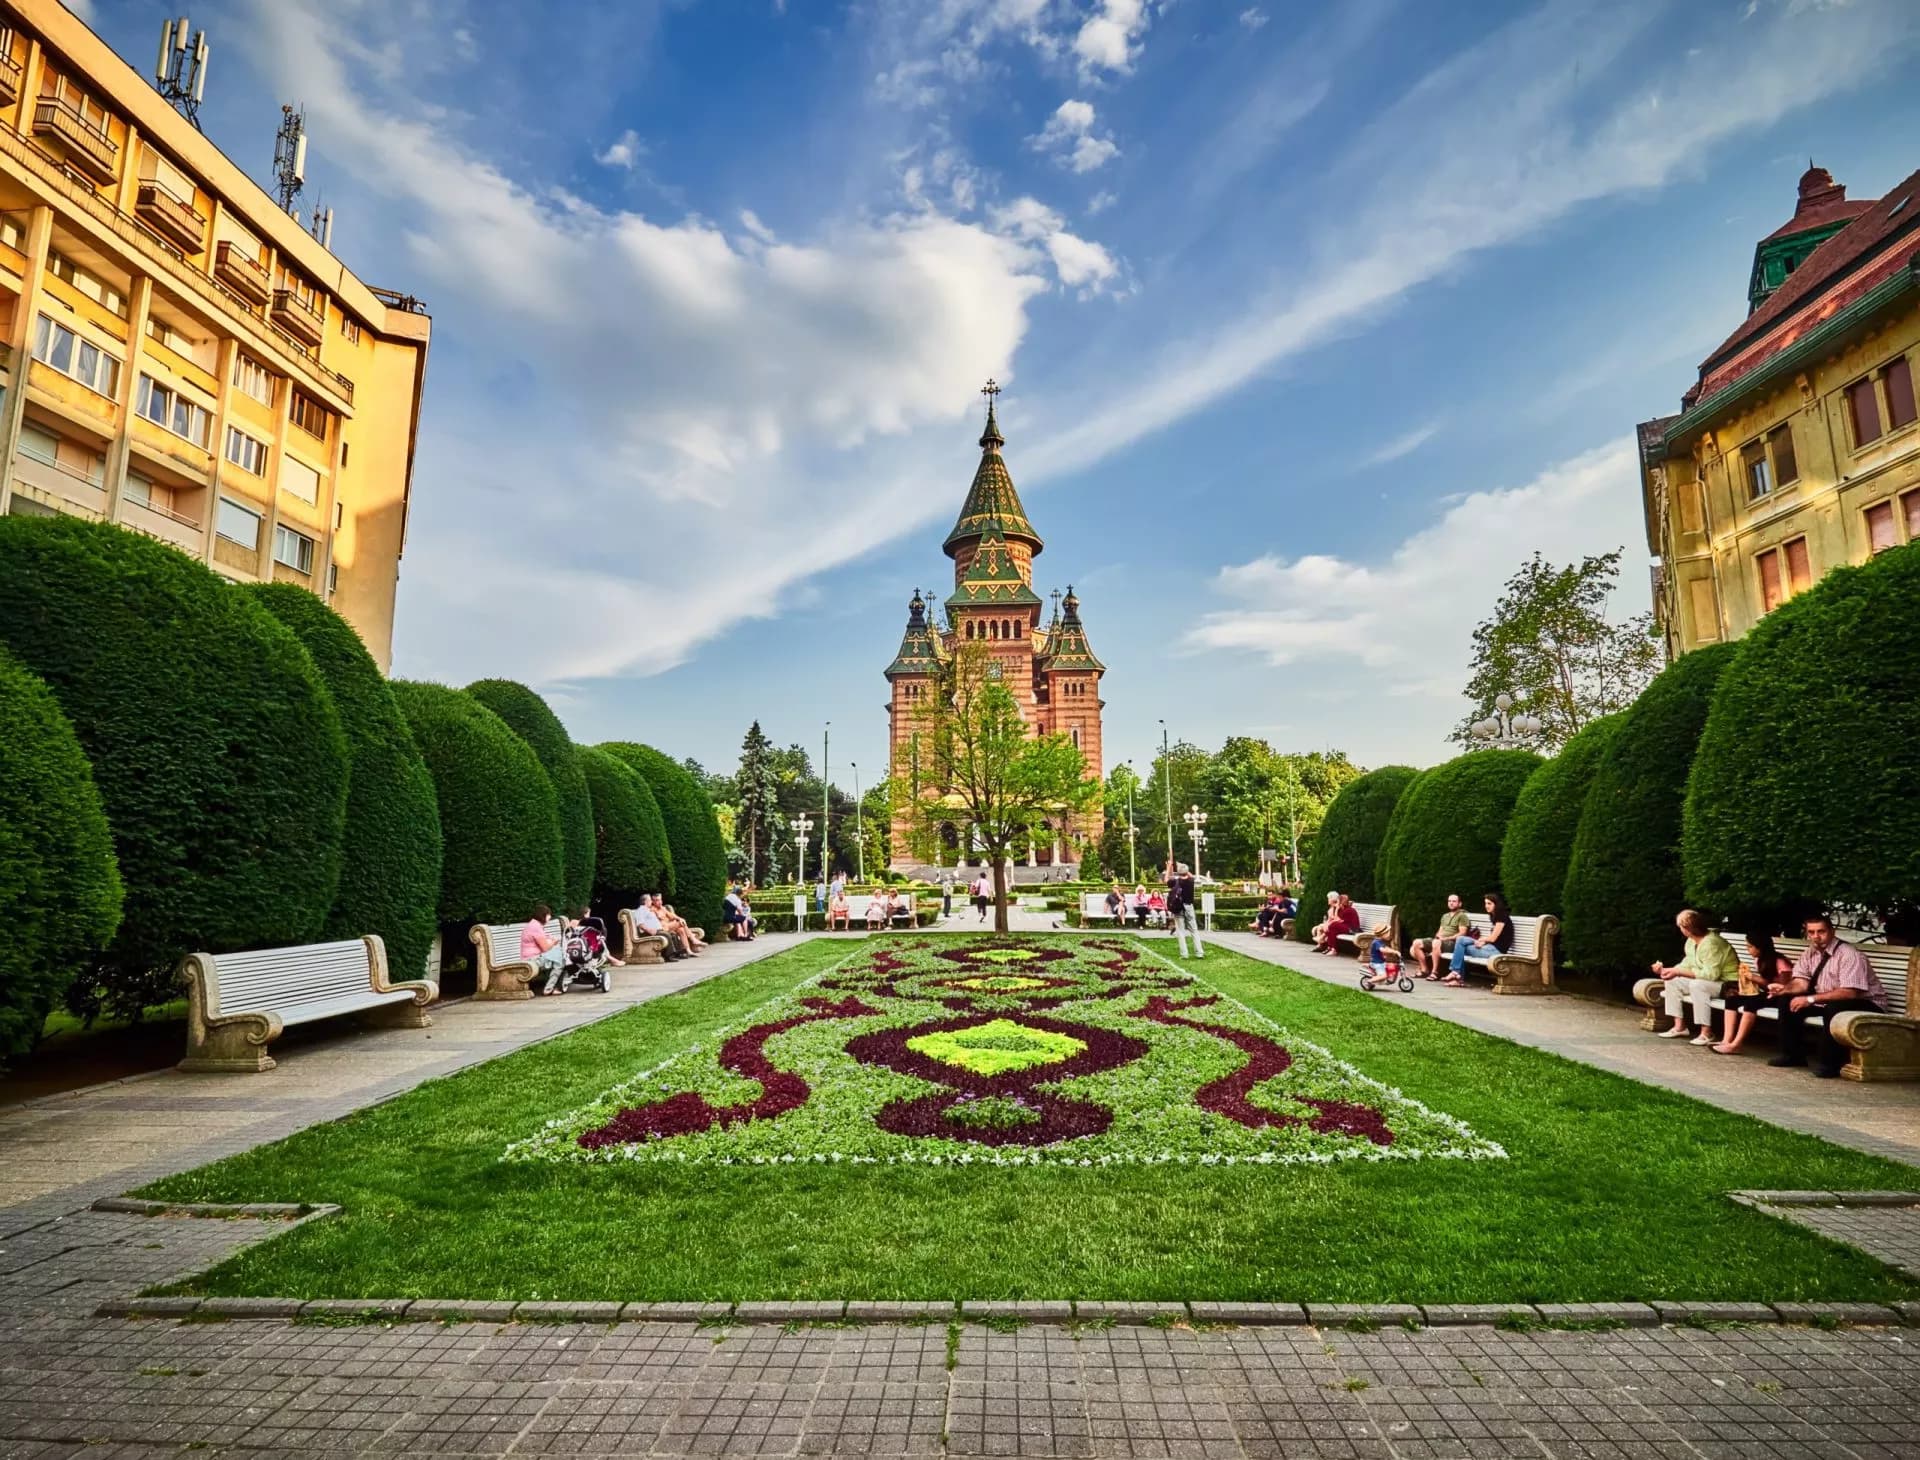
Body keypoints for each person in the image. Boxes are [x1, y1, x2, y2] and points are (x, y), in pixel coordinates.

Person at [1769, 912, 1890, 1077]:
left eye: (1821, 931)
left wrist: (1810, 999)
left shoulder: (1849, 955)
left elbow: (1850, 992)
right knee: (1787, 1001)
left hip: (1867, 1003)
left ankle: (1830, 1064)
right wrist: (1783, 989)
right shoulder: (1809, 953)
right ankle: (1792, 1055)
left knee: (1834, 1009)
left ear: (1832, 932)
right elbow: (1801, 983)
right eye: (1811, 932)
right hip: (1831, 1000)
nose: (1816, 937)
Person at [1649, 909, 1739, 1042]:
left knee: (1697, 985)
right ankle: (1679, 1027)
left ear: (1687, 928)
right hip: (1712, 982)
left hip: (1729, 984)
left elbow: (1711, 974)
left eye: (1681, 926)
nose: (1680, 929)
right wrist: (1667, 970)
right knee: (1672, 981)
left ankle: (1706, 1033)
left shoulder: (1711, 943)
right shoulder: (1691, 941)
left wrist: (1678, 972)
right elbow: (1687, 964)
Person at [1715, 932, 1795, 1055]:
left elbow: (1785, 987)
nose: (1748, 950)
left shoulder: (1780, 962)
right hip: (1769, 992)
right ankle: (1726, 1040)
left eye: (1750, 947)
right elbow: (1766, 985)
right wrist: (1749, 980)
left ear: (1760, 947)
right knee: (1732, 999)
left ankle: (1736, 1044)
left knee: (1751, 1004)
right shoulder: (1759, 960)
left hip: (1783, 996)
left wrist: (1754, 978)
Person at [1443, 893, 1514, 986]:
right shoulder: (1495, 916)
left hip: (1496, 952)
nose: (1486, 906)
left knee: (1461, 945)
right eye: (1485, 903)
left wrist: (1482, 940)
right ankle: (1457, 975)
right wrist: (1482, 942)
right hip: (1490, 948)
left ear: (1496, 904)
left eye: (1489, 903)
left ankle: (1456, 975)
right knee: (1461, 940)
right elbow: (1493, 939)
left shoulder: (1502, 917)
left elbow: (1493, 938)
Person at [1410, 894, 1470, 979]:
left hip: (1452, 943)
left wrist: (1445, 938)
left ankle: (1435, 972)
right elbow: (1440, 930)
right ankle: (1424, 970)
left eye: (1454, 901)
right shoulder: (1445, 916)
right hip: (1440, 941)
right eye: (1449, 901)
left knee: (1436, 942)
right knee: (1416, 942)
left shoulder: (1462, 916)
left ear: (1459, 904)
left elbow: (1462, 933)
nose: (1451, 903)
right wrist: (1438, 936)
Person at [520, 903, 569, 994]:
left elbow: (545, 939)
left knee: (558, 955)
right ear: (543, 915)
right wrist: (554, 942)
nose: (550, 917)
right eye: (548, 915)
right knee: (560, 960)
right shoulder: (535, 927)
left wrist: (551, 941)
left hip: (534, 957)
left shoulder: (534, 925)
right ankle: (549, 988)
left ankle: (551, 987)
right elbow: (545, 947)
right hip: (532, 959)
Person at [1165, 859, 1204, 960]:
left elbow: (1166, 880)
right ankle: (1199, 953)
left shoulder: (1175, 881)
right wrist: (1182, 866)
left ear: (1178, 872)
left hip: (1178, 908)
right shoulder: (1191, 881)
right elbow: (1190, 874)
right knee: (1194, 931)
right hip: (1189, 907)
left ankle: (1184, 954)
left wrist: (1169, 867)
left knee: (1181, 932)